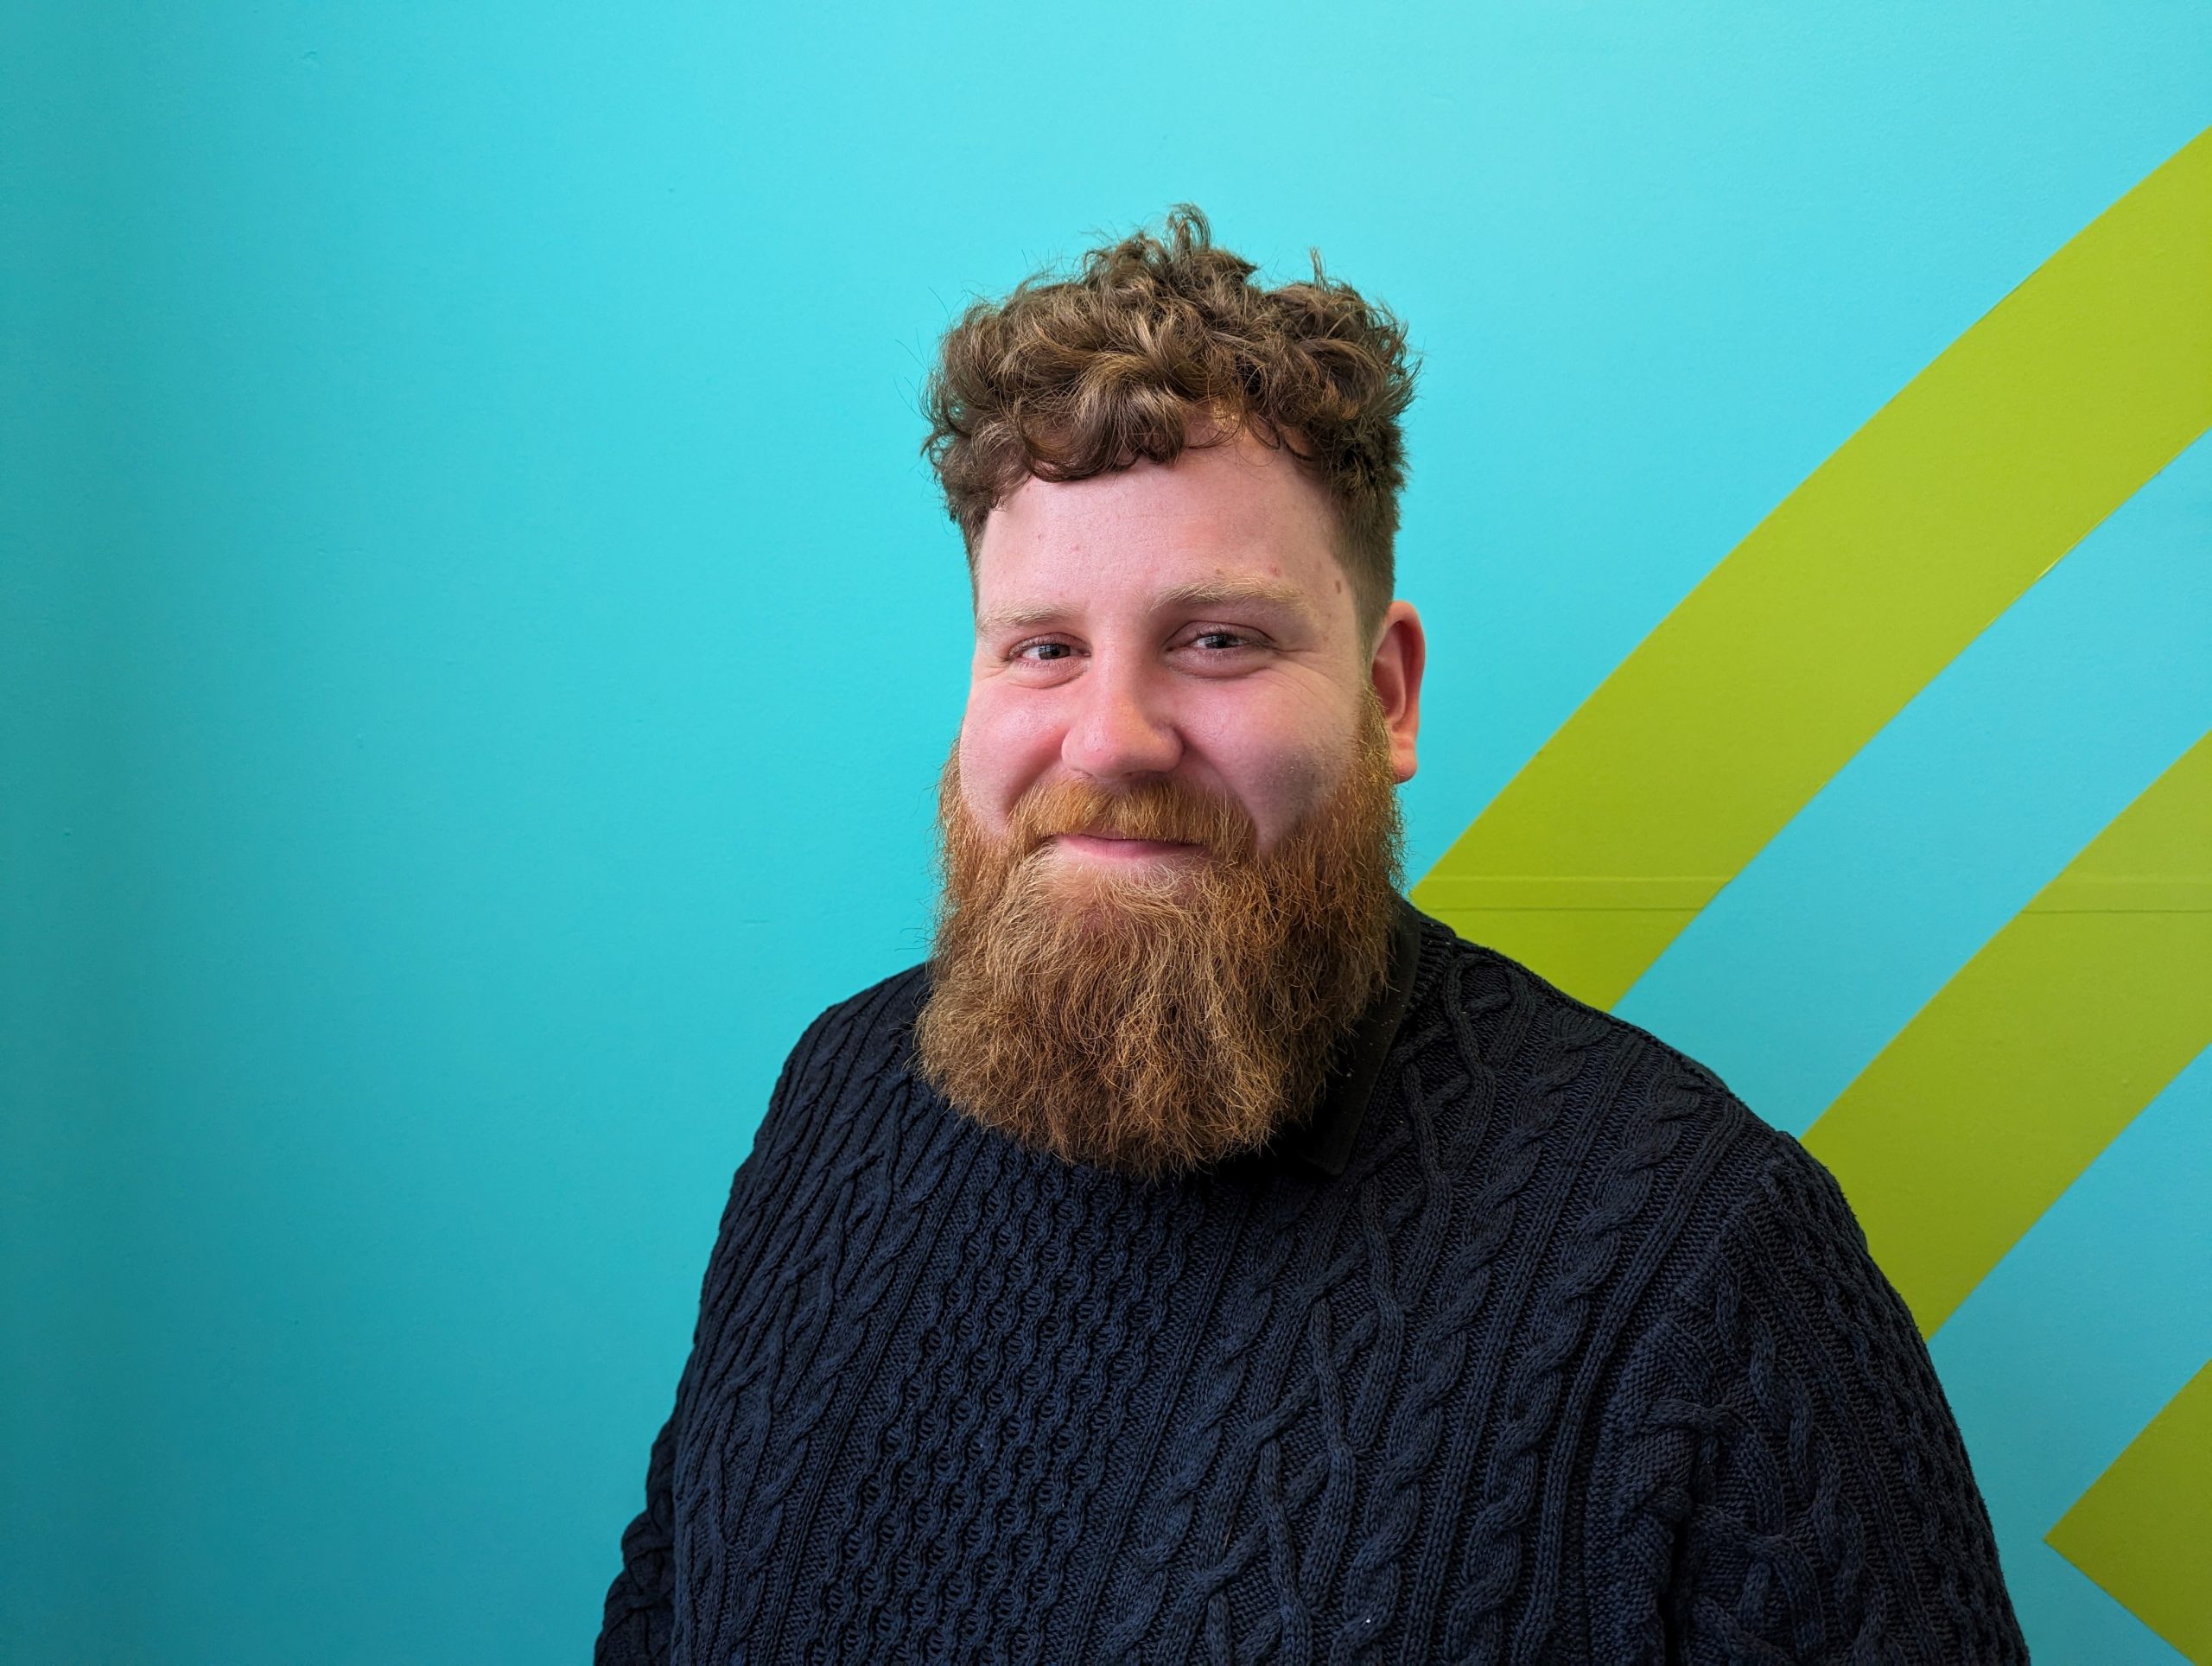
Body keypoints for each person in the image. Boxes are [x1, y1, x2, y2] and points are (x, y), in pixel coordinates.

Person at [595, 207, 2026, 1663]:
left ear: (1386, 697)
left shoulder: (1702, 1265)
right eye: (1044, 648)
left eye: (1219, 640)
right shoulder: (839, 1101)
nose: (1113, 739)